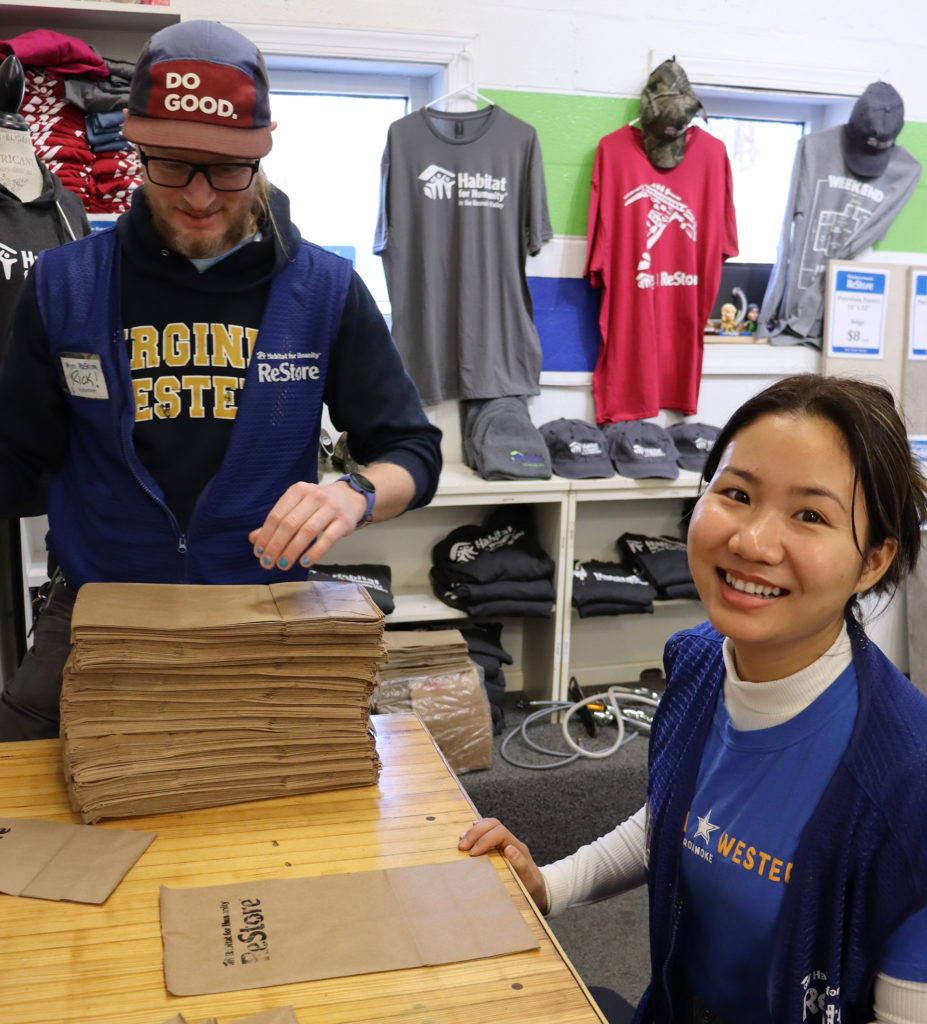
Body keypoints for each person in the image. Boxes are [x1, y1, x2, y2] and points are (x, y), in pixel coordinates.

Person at [0, 20, 442, 741]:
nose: (200, 197)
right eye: (172, 164)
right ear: (136, 146)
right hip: (97, 616)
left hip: (261, 615)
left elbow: (413, 453)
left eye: (227, 168)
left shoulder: (324, 290)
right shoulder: (64, 283)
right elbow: (18, 460)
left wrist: (354, 494)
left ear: (263, 152)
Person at [460, 374, 927, 1024]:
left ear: (873, 561)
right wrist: (549, 883)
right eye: (736, 494)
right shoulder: (697, 659)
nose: (751, 542)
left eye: (810, 515)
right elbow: (677, 823)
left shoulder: (907, 782)